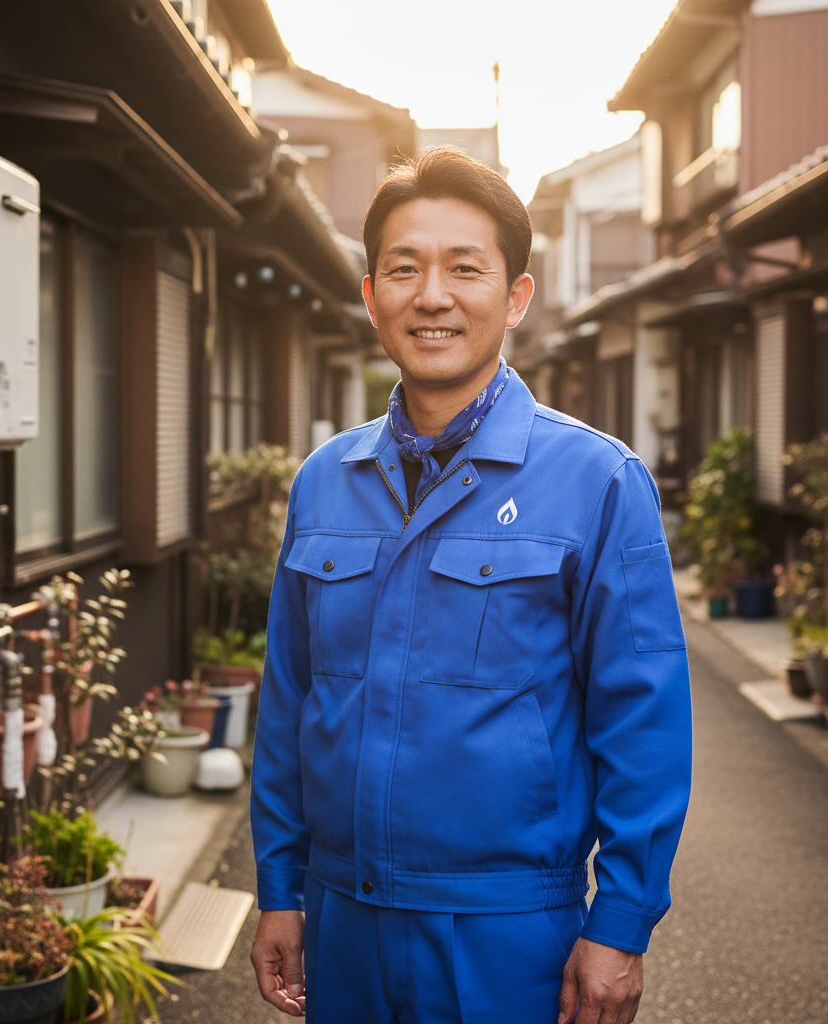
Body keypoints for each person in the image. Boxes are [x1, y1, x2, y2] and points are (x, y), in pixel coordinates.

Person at [249, 146, 691, 1024]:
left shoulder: (598, 481)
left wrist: (624, 922)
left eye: (465, 268)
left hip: (512, 930)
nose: (434, 296)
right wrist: (279, 887)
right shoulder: (325, 481)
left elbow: (643, 721)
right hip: (344, 920)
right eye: (404, 270)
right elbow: (289, 704)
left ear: (515, 296)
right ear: (372, 296)